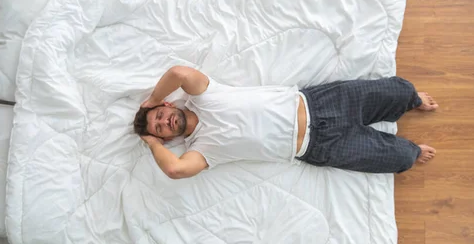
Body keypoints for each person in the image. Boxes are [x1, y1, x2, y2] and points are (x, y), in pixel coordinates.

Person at [134, 66, 437, 179]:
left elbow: (179, 74)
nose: (165, 122)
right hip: (320, 146)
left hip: (320, 103)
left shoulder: (204, 95)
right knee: (400, 158)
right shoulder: (201, 151)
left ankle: (411, 101)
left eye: (160, 115)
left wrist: (150, 101)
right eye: (160, 128)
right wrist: (150, 142)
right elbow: (175, 169)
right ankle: (411, 151)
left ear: (167, 104)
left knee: (400, 90)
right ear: (167, 139)